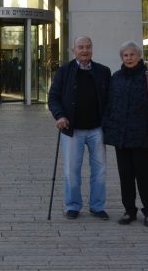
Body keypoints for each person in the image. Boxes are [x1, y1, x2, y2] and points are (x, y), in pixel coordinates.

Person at [103, 41, 148, 227]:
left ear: (139, 56)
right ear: (121, 58)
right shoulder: (116, 78)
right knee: (125, 176)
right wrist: (108, 126)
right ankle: (129, 210)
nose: (129, 58)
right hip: (121, 137)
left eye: (132, 55)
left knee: (143, 175)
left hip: (142, 136)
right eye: (125, 55)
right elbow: (109, 105)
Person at [48, 36, 111, 220]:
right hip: (72, 129)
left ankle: (97, 206)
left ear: (92, 49)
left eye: (88, 47)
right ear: (73, 49)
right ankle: (73, 205)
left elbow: (110, 100)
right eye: (81, 47)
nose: (85, 50)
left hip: (97, 129)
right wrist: (59, 116)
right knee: (71, 170)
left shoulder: (103, 71)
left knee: (99, 170)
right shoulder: (64, 71)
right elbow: (53, 97)